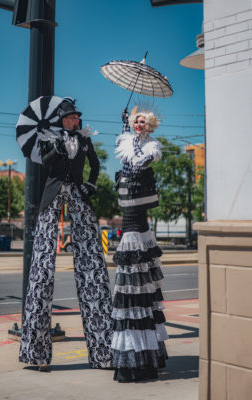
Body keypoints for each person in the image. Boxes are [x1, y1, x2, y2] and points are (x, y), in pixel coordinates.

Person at [19, 98, 113, 371]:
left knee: (92, 266)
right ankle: (37, 354)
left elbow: (94, 166)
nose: (74, 121)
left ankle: (103, 351)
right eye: (70, 118)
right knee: (43, 269)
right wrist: (56, 148)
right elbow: (46, 165)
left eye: (76, 117)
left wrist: (91, 185)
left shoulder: (84, 140)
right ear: (62, 120)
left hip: (79, 195)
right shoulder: (49, 138)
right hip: (53, 196)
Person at [111, 107, 168, 382]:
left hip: (138, 215)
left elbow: (150, 157)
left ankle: (141, 360)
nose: (138, 124)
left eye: (142, 121)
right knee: (134, 288)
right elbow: (122, 145)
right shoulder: (125, 141)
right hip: (129, 211)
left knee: (138, 287)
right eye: (135, 121)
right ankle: (138, 359)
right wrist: (124, 121)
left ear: (150, 125)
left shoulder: (152, 145)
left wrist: (142, 157)